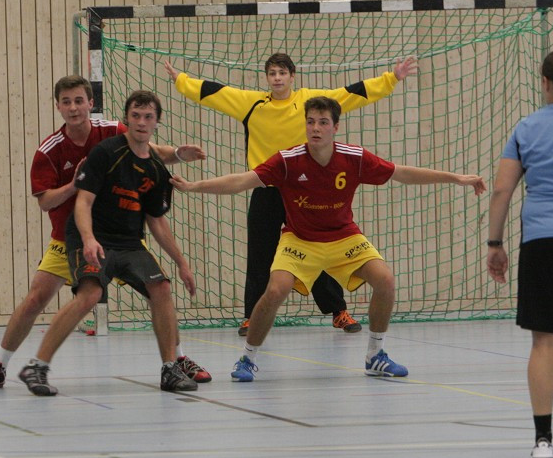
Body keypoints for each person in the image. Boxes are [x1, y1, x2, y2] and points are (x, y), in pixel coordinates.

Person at [171, 96, 485, 382]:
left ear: (335, 127)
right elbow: (242, 181)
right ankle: (248, 359)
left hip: (344, 238)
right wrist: (194, 186)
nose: (316, 128)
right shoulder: (288, 160)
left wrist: (457, 178)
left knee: (385, 280)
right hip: (300, 240)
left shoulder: (354, 158)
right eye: (310, 122)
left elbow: (402, 173)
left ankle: (375, 355)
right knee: (275, 290)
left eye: (323, 122)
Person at [0, 75, 210, 390]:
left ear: (90, 103)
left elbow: (148, 148)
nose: (74, 108)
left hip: (122, 238)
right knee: (37, 299)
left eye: (79, 101)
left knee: (160, 288)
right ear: (58, 106)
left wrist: (178, 154)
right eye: (67, 102)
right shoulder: (51, 150)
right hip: (71, 237)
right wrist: (78, 183)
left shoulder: (112, 132)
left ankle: (176, 360)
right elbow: (45, 202)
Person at [165, 54, 418, 336]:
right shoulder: (252, 104)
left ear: (292, 76)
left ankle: (338, 311)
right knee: (260, 253)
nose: (277, 78)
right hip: (266, 188)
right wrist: (181, 81)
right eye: (272, 73)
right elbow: (215, 92)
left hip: (303, 190)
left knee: (317, 249)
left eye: (282, 72)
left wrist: (391, 78)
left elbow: (352, 93)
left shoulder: (310, 102)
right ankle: (251, 316)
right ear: (266, 78)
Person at [487, 49, 553, 458]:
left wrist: (495, 244)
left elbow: (503, 190)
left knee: (545, 344)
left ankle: (543, 440)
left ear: (544, 83)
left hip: (544, 244)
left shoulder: (527, 127)